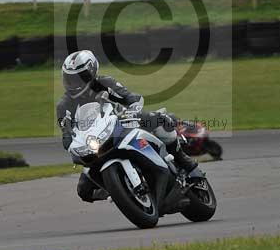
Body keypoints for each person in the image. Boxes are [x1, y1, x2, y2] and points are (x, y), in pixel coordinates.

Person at [56, 49, 199, 202]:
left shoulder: (105, 83)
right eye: (69, 78)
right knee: (83, 191)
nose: (73, 83)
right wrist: (68, 139)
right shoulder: (64, 104)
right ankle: (119, 190)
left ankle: (183, 160)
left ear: (91, 72)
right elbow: (66, 129)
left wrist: (132, 108)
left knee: (161, 120)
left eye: (79, 77)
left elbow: (131, 98)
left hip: (120, 123)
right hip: (95, 141)